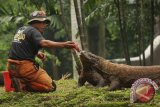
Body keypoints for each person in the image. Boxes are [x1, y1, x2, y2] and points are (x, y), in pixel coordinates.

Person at [7, 10, 79, 92]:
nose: (44, 25)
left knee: (29, 77)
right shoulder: (34, 31)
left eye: (45, 22)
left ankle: (18, 81)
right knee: (51, 87)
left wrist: (37, 53)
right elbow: (44, 43)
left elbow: (19, 46)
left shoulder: (21, 29)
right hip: (25, 68)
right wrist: (64, 44)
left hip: (11, 66)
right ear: (34, 22)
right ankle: (22, 84)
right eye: (42, 22)